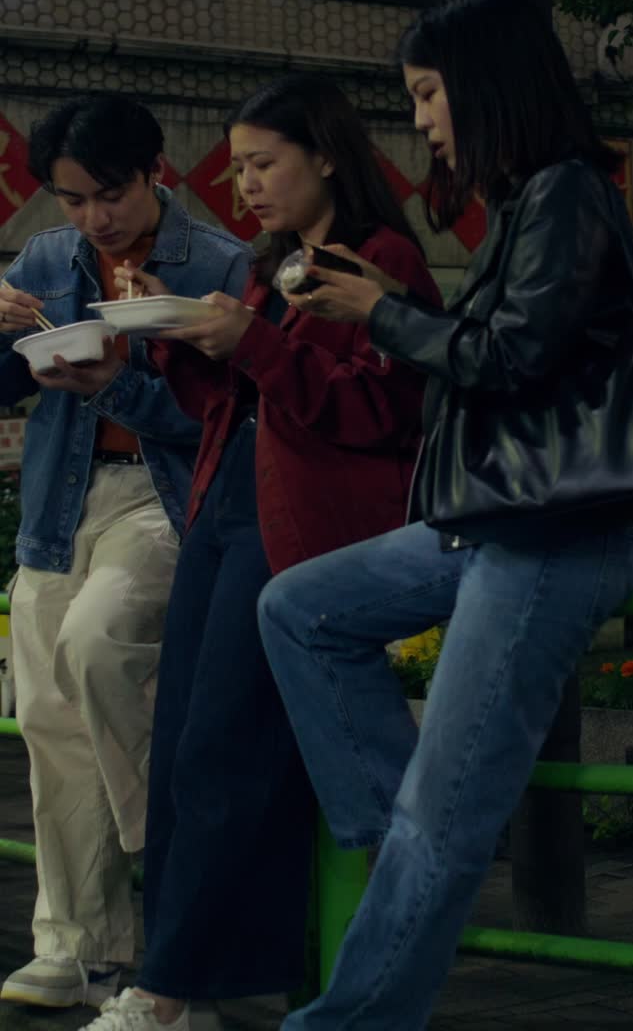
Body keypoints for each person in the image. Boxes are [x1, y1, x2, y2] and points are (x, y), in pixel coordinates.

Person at [257, 0, 633, 1030]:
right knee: (298, 608)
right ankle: (403, 840)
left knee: (438, 818)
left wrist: (383, 311)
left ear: (485, 85)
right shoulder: (533, 201)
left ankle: (365, 982)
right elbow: (498, 350)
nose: (418, 118)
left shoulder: (567, 194)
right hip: (509, 516)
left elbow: (507, 359)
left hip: (567, 526)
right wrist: (391, 302)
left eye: (426, 92)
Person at [84, 73, 441, 1031]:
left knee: (224, 751)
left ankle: (171, 993)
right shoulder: (272, 260)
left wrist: (247, 341)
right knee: (182, 756)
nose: (246, 185)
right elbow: (234, 407)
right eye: (238, 167)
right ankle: (206, 980)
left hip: (304, 526)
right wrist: (170, 343)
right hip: (226, 508)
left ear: (325, 154)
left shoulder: (380, 256)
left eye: (264, 164)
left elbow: (376, 412)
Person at [0, 94, 252, 1010]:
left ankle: (183, 888)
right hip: (56, 512)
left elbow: (217, 422)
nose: (92, 218)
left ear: (155, 173)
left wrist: (119, 388)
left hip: (166, 503)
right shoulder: (45, 260)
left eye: (108, 193)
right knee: (47, 726)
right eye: (71, 200)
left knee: (99, 646)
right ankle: (79, 947)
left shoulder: (219, 263)